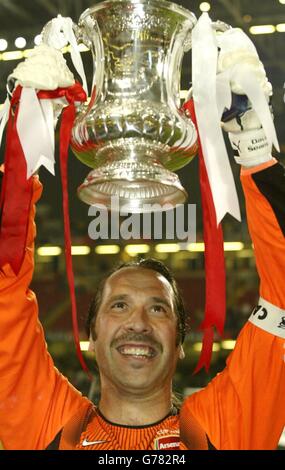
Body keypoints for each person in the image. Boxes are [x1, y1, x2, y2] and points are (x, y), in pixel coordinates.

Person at [0, 28, 285, 450]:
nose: (138, 324)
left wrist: (255, 140)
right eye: (119, 305)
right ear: (91, 334)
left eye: (158, 309)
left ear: (181, 342)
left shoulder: (224, 430)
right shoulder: (46, 426)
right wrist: (26, 137)